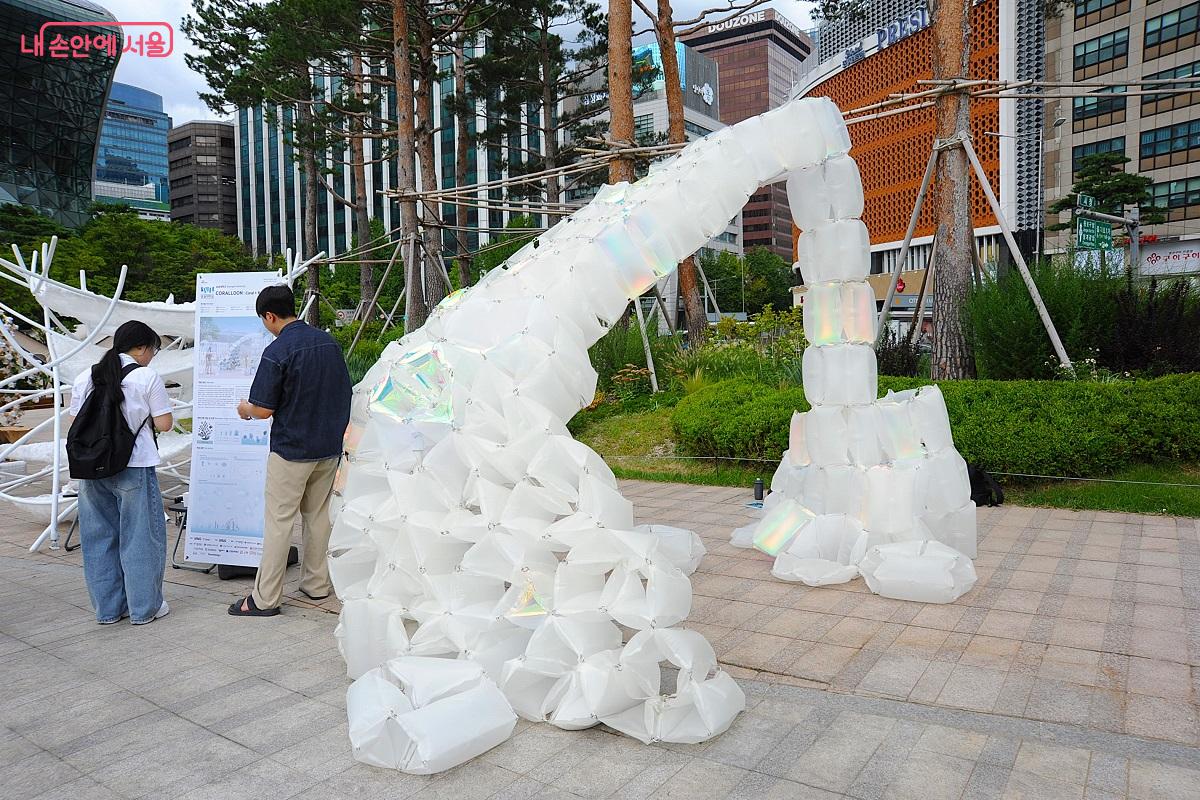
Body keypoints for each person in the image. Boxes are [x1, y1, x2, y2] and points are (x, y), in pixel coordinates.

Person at [229, 284, 351, 617]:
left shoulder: (278, 351)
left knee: (279, 523)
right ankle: (316, 584)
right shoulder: (329, 343)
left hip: (291, 450)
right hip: (327, 448)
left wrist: (245, 409)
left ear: (269, 316)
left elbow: (262, 409)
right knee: (318, 518)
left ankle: (265, 599)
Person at [69, 321, 173, 625]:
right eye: (153, 350)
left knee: (98, 539)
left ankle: (108, 610)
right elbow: (165, 424)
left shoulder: (85, 376)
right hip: (133, 465)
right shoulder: (146, 377)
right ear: (141, 348)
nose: (152, 356)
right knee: (140, 538)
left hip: (91, 469)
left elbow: (76, 422)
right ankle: (143, 609)